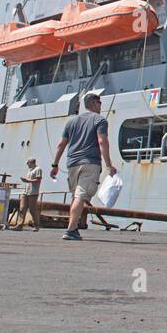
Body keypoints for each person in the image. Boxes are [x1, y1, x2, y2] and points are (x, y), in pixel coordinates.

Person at [50, 91, 117, 241]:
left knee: (76, 197)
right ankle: (71, 230)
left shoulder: (71, 122)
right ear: (93, 103)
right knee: (80, 197)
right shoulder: (100, 120)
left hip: (72, 164)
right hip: (90, 163)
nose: (101, 106)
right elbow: (102, 142)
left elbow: (61, 144)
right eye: (99, 103)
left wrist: (55, 164)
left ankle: (73, 228)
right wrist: (109, 165)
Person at [16, 157, 42, 231]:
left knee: (32, 210)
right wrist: (26, 181)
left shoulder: (38, 169)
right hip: (26, 192)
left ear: (32, 162)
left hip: (33, 192)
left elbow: (38, 179)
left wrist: (27, 180)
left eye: (28, 163)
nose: (27, 164)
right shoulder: (30, 170)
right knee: (22, 208)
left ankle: (36, 226)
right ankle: (19, 225)